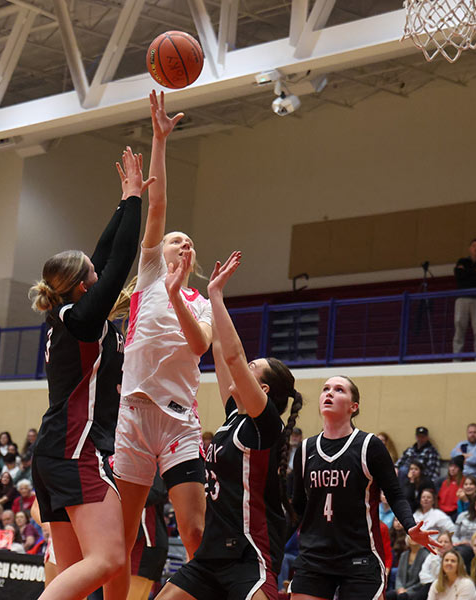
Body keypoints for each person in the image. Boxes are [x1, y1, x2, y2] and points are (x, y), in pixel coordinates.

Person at [29, 145, 151, 600]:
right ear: (84, 286)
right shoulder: (80, 319)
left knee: (75, 573)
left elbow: (102, 255)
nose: (99, 274)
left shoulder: (67, 316)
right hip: (75, 447)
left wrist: (125, 199)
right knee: (110, 559)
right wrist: (136, 204)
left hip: (54, 450)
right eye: (92, 275)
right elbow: (118, 262)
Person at [155, 250, 303, 600]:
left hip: (249, 553)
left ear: (263, 391)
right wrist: (209, 299)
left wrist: (218, 296)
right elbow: (220, 349)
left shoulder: (266, 425)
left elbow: (234, 356)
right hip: (210, 554)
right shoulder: (233, 416)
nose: (243, 368)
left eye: (254, 369)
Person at [114, 93, 212, 599]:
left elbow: (199, 347)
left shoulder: (201, 300)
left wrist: (177, 297)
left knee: (194, 533)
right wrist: (159, 139)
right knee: (121, 537)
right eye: (177, 240)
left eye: (190, 244)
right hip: (133, 412)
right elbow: (158, 203)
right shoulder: (149, 273)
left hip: (178, 420)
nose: (184, 245)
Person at [289, 374, 441, 600]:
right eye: (326, 388)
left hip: (359, 556)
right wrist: (270, 546)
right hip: (314, 557)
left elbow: (395, 494)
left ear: (354, 406)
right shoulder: (305, 449)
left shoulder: (369, 446)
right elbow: (298, 509)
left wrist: (410, 526)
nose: (329, 393)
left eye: (339, 389)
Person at [388, 535, 431, 600]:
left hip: (416, 590)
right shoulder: (404, 555)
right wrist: (399, 588)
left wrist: (407, 590)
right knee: (388, 595)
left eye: (416, 537)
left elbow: (423, 581)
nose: (413, 538)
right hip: (401, 589)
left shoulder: (426, 556)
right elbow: (398, 576)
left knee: (402, 597)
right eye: (410, 536)